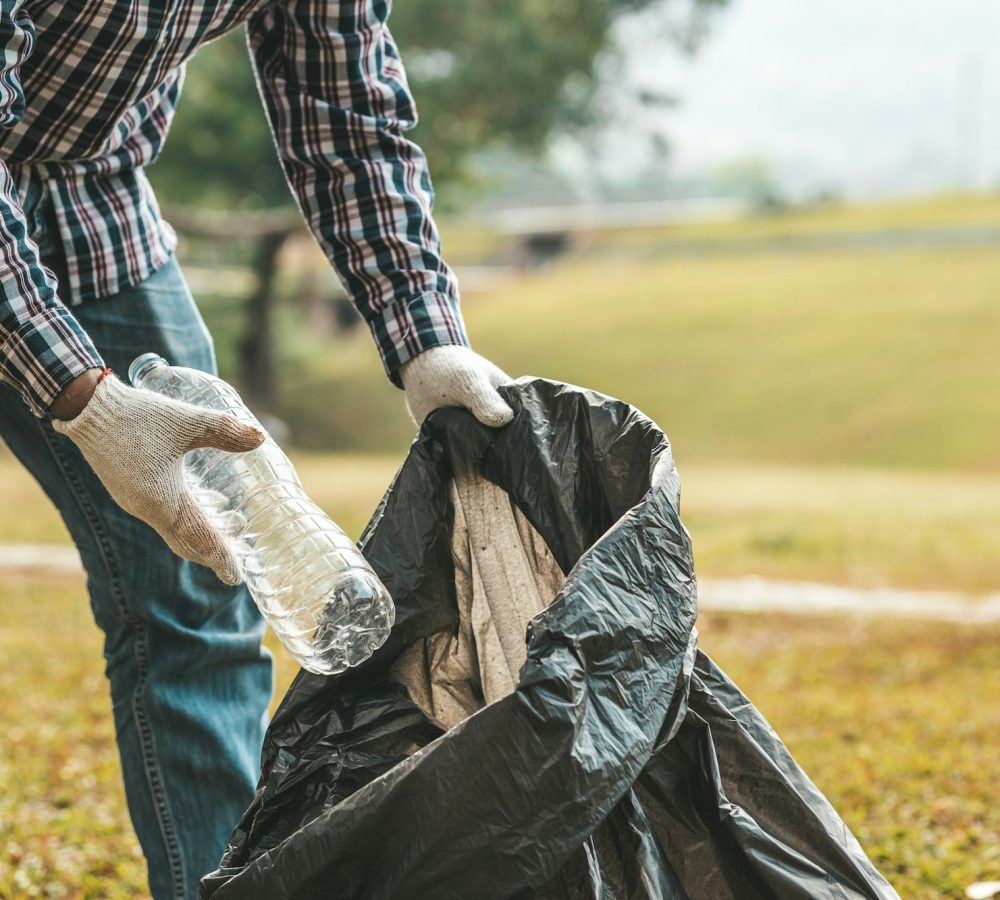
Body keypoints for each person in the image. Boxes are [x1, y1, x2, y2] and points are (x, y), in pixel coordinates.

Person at [0, 0, 513, 896]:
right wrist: (89, 401)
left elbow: (346, 108)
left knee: (203, 580)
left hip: (94, 212)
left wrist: (426, 339)